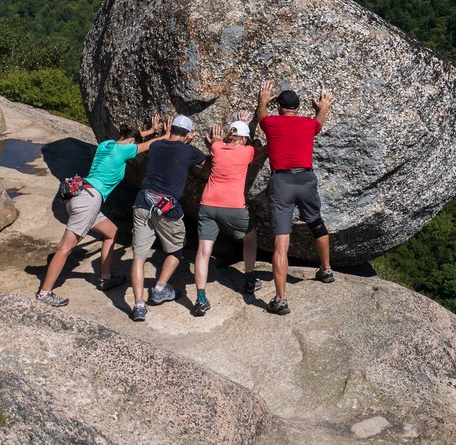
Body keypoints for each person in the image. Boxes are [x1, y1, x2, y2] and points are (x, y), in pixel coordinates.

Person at [36, 114, 166, 307]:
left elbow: (131, 136)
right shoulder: (124, 150)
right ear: (130, 142)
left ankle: (106, 279)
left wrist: (151, 130)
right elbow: (147, 145)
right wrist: (166, 134)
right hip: (89, 200)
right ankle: (45, 293)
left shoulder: (105, 144)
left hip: (78, 194)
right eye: (132, 142)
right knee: (66, 248)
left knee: (111, 232)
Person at [256, 81, 336, 315]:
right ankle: (326, 269)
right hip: (306, 179)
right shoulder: (308, 124)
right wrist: (323, 107)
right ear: (298, 108)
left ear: (279, 107)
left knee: (282, 240)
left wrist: (262, 101)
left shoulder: (272, 122)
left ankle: (281, 300)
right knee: (316, 223)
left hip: (282, 181)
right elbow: (319, 121)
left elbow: (261, 117)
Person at [130, 114, 207, 321]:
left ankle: (138, 305)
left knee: (139, 256)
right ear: (189, 134)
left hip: (142, 201)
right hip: (166, 208)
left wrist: (163, 134)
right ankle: (159, 289)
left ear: (169, 128)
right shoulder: (189, 151)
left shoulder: (156, 146)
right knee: (176, 249)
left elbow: (153, 144)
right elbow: (206, 165)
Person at [192, 112, 262, 316]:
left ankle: (201, 299)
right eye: (246, 137)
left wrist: (236, 128)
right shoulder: (247, 152)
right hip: (233, 207)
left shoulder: (216, 148)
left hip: (208, 204)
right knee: (250, 238)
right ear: (243, 139)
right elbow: (261, 150)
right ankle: (249, 280)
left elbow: (219, 143)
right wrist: (247, 126)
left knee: (203, 252)